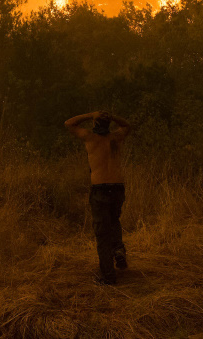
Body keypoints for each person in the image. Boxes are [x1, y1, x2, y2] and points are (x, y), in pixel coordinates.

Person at [64, 110, 133, 285]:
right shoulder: (116, 137)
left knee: (102, 235)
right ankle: (118, 249)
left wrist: (90, 115)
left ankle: (108, 277)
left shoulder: (90, 138)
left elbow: (69, 123)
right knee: (114, 220)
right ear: (108, 125)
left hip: (100, 189)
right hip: (118, 187)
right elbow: (127, 125)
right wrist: (112, 116)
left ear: (95, 125)